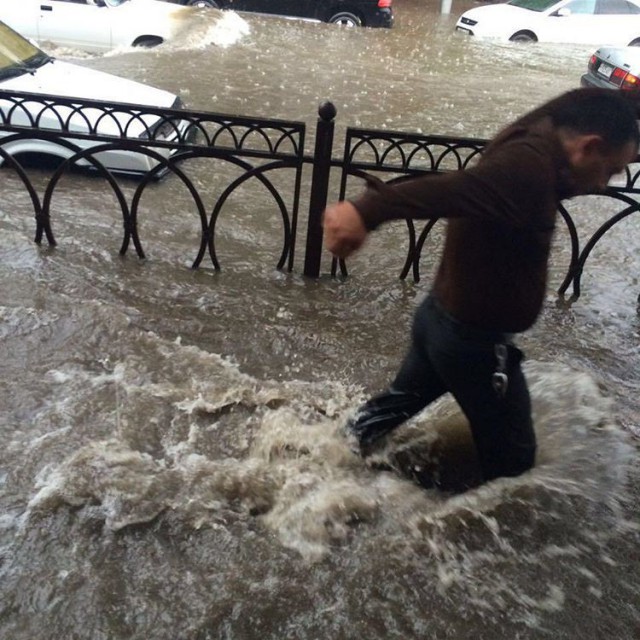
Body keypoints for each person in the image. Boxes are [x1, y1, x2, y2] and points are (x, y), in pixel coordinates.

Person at [322, 88, 639, 484]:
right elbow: (453, 189)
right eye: (610, 170)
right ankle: (441, 528)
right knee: (515, 469)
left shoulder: (534, 136)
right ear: (589, 146)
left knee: (383, 414)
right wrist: (364, 211)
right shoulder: (526, 170)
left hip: (439, 322)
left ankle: (323, 461)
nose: (606, 185)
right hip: (475, 346)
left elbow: (570, 105)